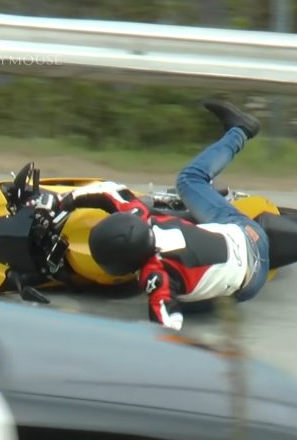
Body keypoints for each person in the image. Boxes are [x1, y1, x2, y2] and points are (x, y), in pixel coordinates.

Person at [56, 99, 270, 331]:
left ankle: (242, 129)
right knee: (189, 179)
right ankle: (238, 133)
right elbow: (108, 190)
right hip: (246, 231)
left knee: (160, 300)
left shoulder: (158, 277)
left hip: (250, 282)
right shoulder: (142, 217)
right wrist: (64, 200)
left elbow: (168, 330)